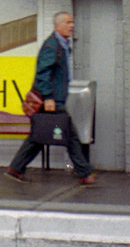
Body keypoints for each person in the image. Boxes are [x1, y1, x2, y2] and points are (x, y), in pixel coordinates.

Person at [5, 11, 96, 184]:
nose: (72, 25)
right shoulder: (52, 46)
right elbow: (42, 73)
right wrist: (48, 97)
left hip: (56, 99)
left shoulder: (61, 45)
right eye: (68, 22)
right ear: (58, 25)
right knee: (69, 136)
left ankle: (15, 168)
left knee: (39, 136)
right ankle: (85, 174)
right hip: (52, 100)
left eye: (72, 22)